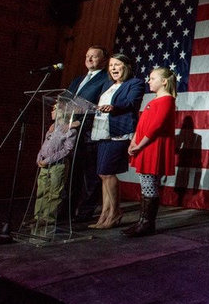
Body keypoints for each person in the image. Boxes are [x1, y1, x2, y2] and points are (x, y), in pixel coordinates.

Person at [89, 54, 145, 229]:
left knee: (108, 172)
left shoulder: (135, 83)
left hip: (118, 132)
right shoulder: (107, 85)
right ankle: (105, 214)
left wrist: (114, 108)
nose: (113, 68)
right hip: (101, 131)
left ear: (126, 66)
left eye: (117, 65)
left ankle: (115, 212)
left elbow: (131, 102)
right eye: (111, 65)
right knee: (102, 174)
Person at [125, 67, 177, 237]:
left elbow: (156, 126)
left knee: (149, 185)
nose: (149, 81)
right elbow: (142, 124)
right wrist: (134, 141)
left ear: (164, 81)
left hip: (152, 146)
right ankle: (142, 221)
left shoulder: (167, 100)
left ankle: (147, 223)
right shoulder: (155, 100)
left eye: (152, 78)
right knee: (146, 184)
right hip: (144, 145)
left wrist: (140, 145)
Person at [67, 46, 109, 222]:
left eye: (94, 56)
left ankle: (85, 212)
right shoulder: (78, 80)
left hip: (90, 134)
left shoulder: (106, 79)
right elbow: (66, 102)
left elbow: (101, 107)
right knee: (72, 174)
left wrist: (81, 122)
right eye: (87, 56)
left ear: (103, 60)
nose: (89, 59)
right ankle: (66, 211)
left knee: (90, 176)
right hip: (70, 132)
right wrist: (57, 121)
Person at [30, 101, 79, 234]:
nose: (52, 112)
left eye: (55, 109)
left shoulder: (70, 130)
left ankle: (48, 218)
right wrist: (39, 158)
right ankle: (38, 216)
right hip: (45, 164)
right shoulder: (52, 128)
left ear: (63, 112)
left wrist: (49, 160)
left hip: (58, 165)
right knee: (42, 190)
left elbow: (67, 150)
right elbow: (44, 145)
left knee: (54, 192)